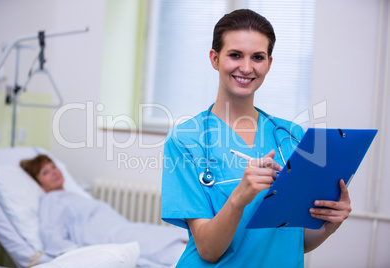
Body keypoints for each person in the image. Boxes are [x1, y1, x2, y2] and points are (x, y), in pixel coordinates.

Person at [161, 9, 352, 267]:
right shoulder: (186, 140)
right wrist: (240, 197)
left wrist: (328, 225)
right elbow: (208, 249)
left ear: (269, 64)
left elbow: (294, 240)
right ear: (214, 59)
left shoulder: (292, 137)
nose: (247, 67)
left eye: (258, 57)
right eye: (235, 55)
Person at [20, 154, 188, 267]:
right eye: (45, 172)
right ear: (39, 182)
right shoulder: (51, 200)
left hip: (124, 229)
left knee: (172, 236)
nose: (53, 172)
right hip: (108, 237)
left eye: (53, 166)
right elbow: (53, 237)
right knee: (173, 247)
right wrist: (81, 255)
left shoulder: (73, 196)